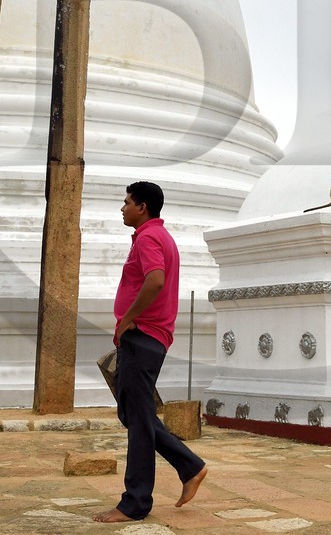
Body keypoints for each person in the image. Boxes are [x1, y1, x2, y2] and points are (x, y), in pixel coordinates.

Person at [93, 182, 208, 524]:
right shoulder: (162, 238)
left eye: (126, 202)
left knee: (138, 420)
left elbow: (154, 280)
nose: (122, 208)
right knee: (134, 415)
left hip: (142, 336)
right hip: (149, 338)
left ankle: (136, 502)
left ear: (142, 207)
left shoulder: (147, 238)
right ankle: (190, 466)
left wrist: (127, 319)